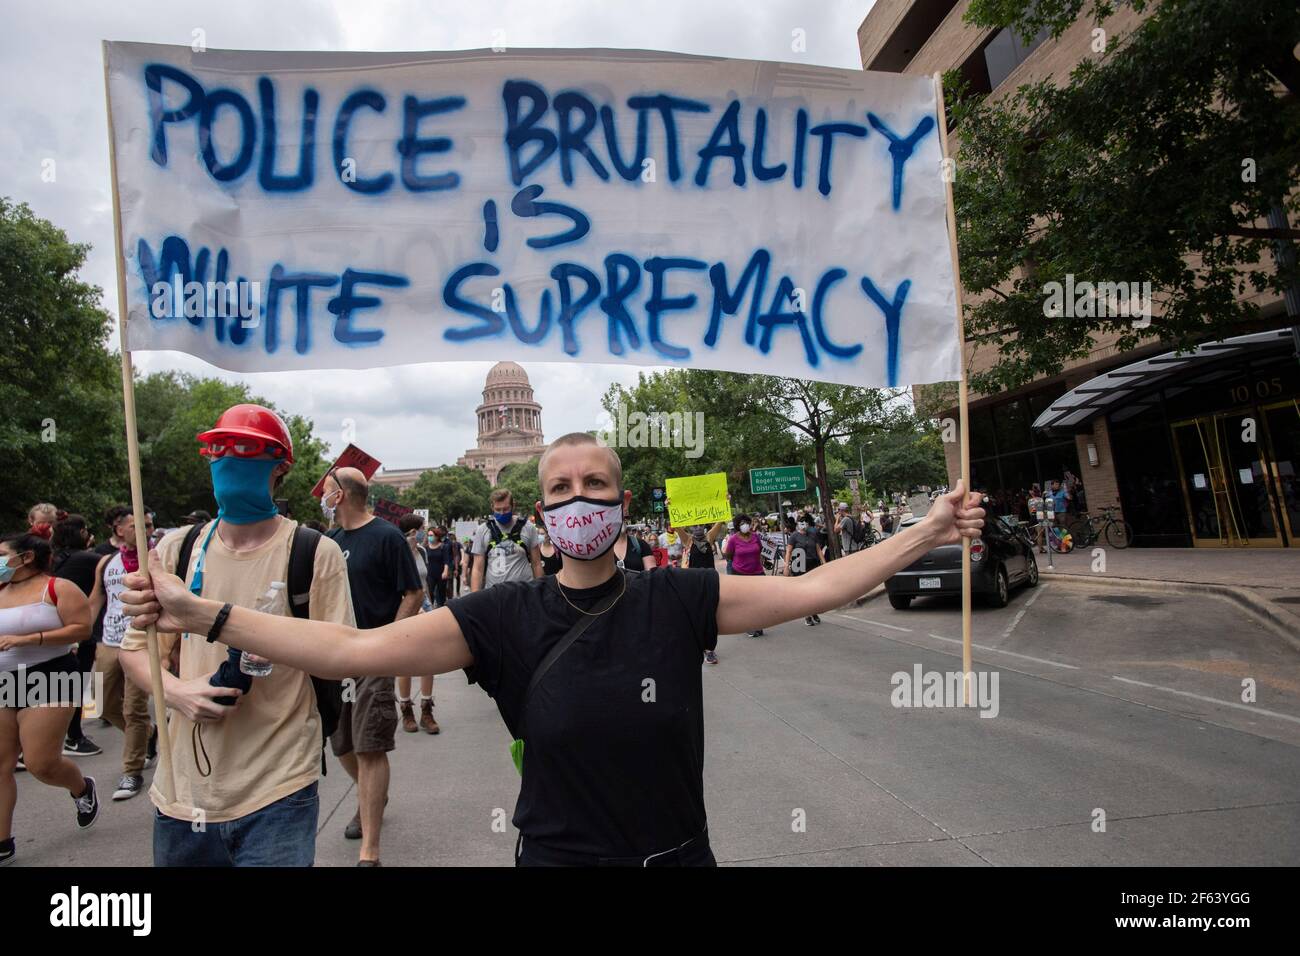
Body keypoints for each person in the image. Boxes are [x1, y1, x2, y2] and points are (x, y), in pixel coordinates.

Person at [120, 432, 985, 867]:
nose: (578, 500)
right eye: (561, 489)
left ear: (621, 500)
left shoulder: (679, 597)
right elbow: (350, 652)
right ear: (540, 510)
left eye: (595, 486)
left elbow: (816, 589)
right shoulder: (499, 617)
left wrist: (927, 529)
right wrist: (207, 615)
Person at [118, 403, 355, 867]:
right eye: (219, 450)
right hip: (183, 791)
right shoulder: (176, 549)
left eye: (246, 450)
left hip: (279, 785)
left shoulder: (313, 552)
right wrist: (178, 692)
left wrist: (211, 617)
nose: (229, 460)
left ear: (279, 467)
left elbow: (338, 655)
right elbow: (134, 652)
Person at [322, 467, 424, 866]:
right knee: (342, 743)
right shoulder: (329, 542)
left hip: (373, 656)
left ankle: (370, 851)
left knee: (369, 746)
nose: (323, 497)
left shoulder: (386, 537)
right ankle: (372, 798)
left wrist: (386, 643)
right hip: (335, 657)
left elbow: (413, 593)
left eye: (327, 490)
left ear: (342, 495)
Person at [1, 531, 99, 866]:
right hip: (3, 681)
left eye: (2, 554)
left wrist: (30, 638)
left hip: (51, 674)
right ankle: (2, 842)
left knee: (40, 763)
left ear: (25, 557)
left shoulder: (58, 587)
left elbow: (81, 629)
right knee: (0, 766)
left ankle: (82, 788)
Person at [90, 510, 157, 801]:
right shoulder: (106, 562)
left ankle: (132, 771)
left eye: (149, 525)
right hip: (109, 642)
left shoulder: (157, 558)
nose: (146, 529)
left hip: (141, 640)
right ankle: (148, 734)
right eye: (137, 526)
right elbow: (97, 599)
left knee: (134, 709)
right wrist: (82, 635)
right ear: (119, 530)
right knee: (102, 705)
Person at [50, 516, 104, 757]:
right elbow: (114, 567)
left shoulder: (53, 560)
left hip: (52, 632)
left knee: (53, 688)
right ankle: (74, 737)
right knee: (75, 686)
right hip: (79, 632)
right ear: (80, 532)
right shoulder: (88, 559)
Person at [396, 513, 440, 737]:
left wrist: (429, 605)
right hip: (407, 609)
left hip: (426, 608)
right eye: (420, 530)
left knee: (428, 661)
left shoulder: (422, 551)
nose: (424, 533)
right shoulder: (397, 553)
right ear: (411, 532)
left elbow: (425, 582)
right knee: (406, 663)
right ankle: (406, 709)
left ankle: (426, 709)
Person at [471, 489, 542, 591]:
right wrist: (474, 599)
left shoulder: (528, 527)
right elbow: (477, 569)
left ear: (513, 506)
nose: (502, 513)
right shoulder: (483, 530)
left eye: (506, 509)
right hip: (494, 596)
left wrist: (540, 593)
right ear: (492, 507)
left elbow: (537, 564)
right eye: (498, 510)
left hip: (524, 593)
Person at [721, 512, 765, 637]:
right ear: (737, 526)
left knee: (759, 600)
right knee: (747, 602)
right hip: (741, 574)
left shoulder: (755, 536)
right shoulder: (733, 539)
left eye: (746, 523)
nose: (745, 525)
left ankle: (759, 624)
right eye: (742, 524)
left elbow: (759, 549)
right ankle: (749, 625)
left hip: (757, 572)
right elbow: (729, 555)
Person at [784, 512, 828, 626]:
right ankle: (807, 615)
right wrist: (786, 566)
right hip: (800, 567)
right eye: (801, 523)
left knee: (813, 592)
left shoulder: (812, 534)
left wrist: (824, 564)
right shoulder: (794, 536)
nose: (803, 525)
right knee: (804, 592)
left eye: (805, 523)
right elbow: (788, 551)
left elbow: (818, 550)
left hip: (813, 566)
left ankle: (813, 612)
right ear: (798, 524)